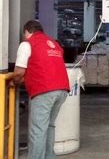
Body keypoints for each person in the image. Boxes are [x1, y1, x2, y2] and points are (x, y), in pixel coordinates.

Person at [12, 20, 70, 159]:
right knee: (49, 126)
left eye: (25, 34)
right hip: (62, 90)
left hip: (44, 91)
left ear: (27, 31)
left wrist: (13, 83)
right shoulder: (54, 44)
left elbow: (19, 72)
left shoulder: (27, 44)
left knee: (38, 130)